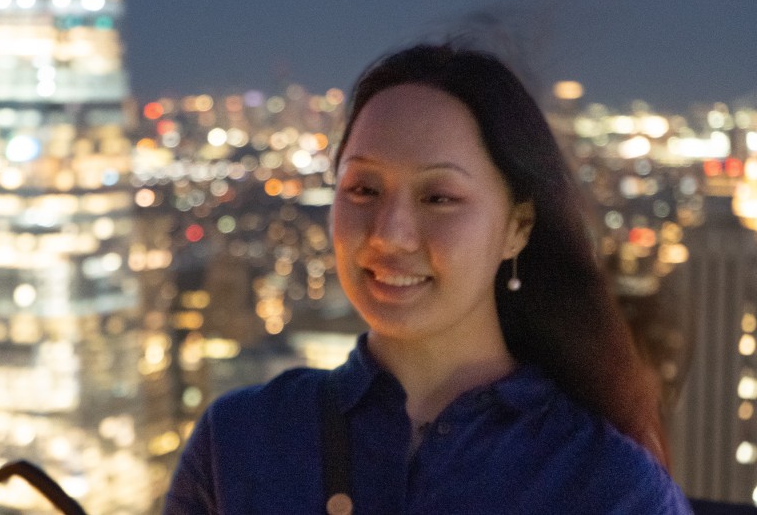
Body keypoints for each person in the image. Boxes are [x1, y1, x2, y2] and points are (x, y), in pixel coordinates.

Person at [163, 43, 693, 514]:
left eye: (439, 198)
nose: (389, 235)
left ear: (518, 227)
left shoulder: (605, 485)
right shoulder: (241, 443)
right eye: (363, 190)